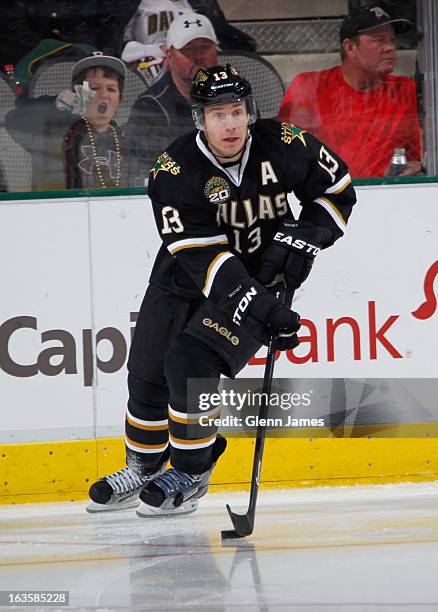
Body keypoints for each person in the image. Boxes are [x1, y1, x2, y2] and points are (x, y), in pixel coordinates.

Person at [86, 64, 356, 516]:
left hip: (261, 277)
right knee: (148, 371)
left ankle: (191, 472)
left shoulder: (283, 144)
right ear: (199, 120)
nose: (230, 124)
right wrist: (263, 311)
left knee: (190, 362)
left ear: (249, 113)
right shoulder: (174, 170)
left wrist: (301, 239)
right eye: (217, 115)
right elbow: (201, 257)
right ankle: (145, 467)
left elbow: (337, 190)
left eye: (237, 111)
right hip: (186, 279)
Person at [278, 6, 422, 178]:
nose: (390, 47)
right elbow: (284, 155)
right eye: (379, 40)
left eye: (392, 40)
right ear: (350, 48)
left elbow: (419, 157)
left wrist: (416, 168)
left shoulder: (405, 90)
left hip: (387, 198)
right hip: (327, 198)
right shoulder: (309, 87)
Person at [5, 52, 127, 191]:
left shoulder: (127, 139)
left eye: (111, 89)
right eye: (94, 88)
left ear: (120, 100)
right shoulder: (53, 132)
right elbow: (13, 121)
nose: (104, 95)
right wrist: (54, 104)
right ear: (78, 93)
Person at [124, 12, 218, 184]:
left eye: (205, 47)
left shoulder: (235, 97)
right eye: (188, 49)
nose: (198, 56)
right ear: (169, 54)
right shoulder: (150, 106)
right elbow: (143, 169)